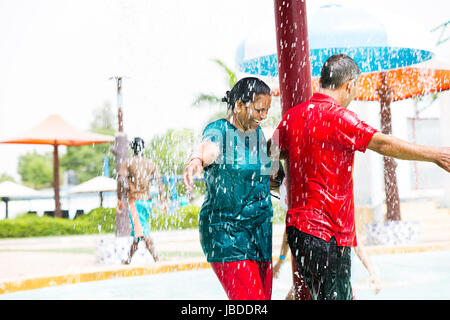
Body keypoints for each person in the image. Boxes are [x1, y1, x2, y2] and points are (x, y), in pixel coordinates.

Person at [269, 54, 450, 300]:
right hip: (327, 236)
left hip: (299, 233)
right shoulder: (340, 117)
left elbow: (267, 154)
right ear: (349, 85)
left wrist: (278, 183)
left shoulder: (293, 116)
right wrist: (435, 155)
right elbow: (383, 144)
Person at [182, 77, 275, 300]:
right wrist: (197, 158)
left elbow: (268, 177)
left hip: (261, 232)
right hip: (227, 234)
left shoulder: (258, 134)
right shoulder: (218, 130)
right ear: (240, 105)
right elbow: (209, 148)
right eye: (260, 110)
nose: (264, 116)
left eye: (267, 110)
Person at [117, 137, 168, 264]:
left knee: (143, 232)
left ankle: (157, 259)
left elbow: (120, 179)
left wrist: (120, 197)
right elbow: (160, 182)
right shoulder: (151, 164)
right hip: (147, 202)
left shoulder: (128, 163)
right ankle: (128, 260)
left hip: (135, 201)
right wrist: (164, 200)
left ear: (132, 148)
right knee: (137, 233)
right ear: (143, 148)